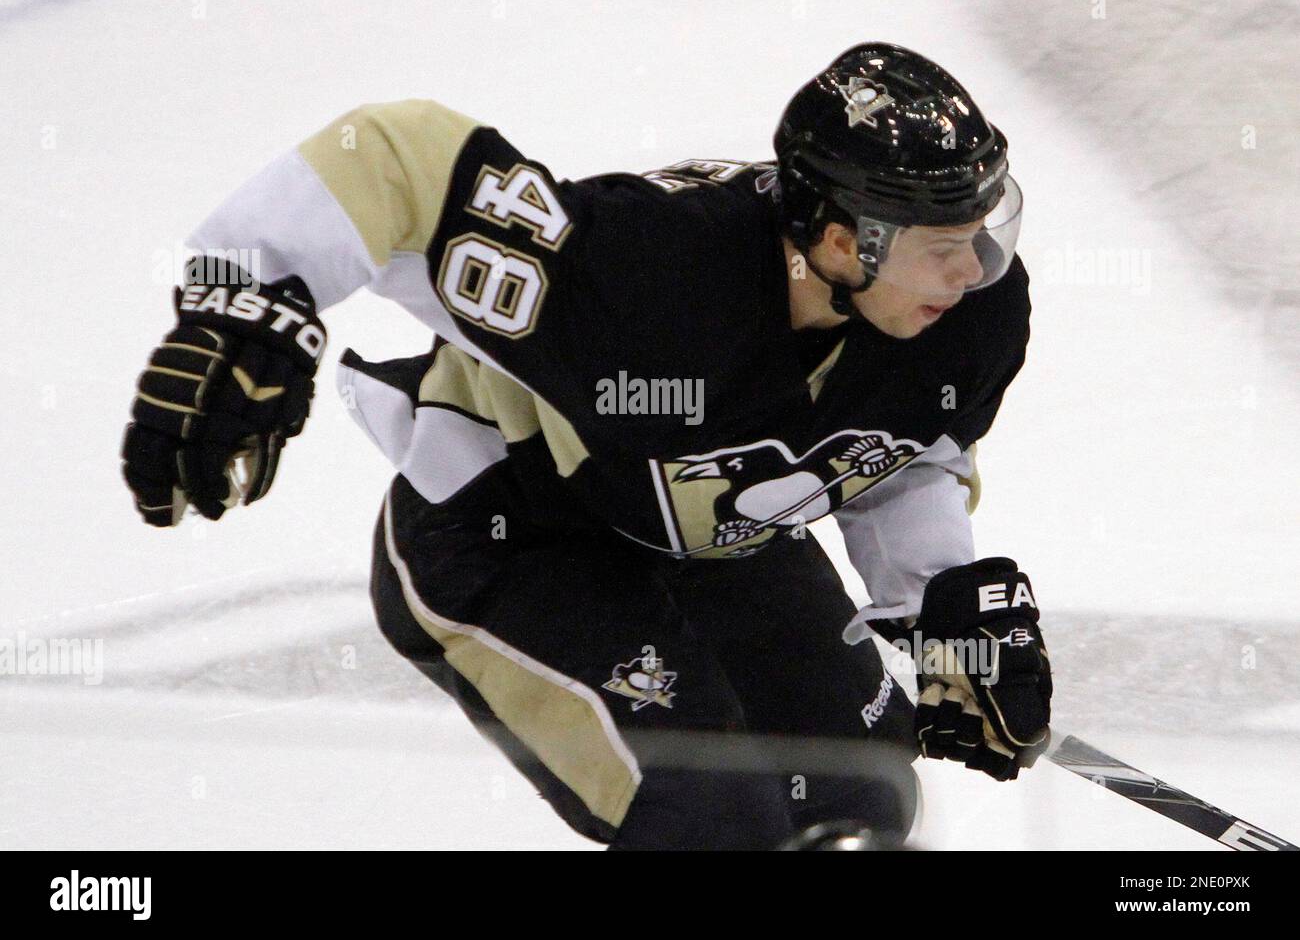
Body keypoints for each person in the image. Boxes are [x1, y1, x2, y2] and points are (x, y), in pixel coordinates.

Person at [121, 42, 1053, 850]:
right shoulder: (643, 279)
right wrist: (242, 308)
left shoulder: (963, 315)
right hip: (509, 532)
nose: (974, 271)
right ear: (844, 243)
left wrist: (939, 603)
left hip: (701, 531)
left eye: (982, 233)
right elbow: (399, 156)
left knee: (860, 784)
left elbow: (896, 446)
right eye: (945, 245)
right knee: (711, 812)